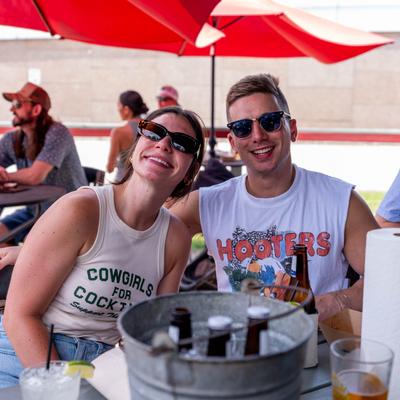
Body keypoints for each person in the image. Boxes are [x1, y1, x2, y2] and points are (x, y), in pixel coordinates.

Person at [0, 106, 205, 388]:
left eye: (182, 142)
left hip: (108, 364)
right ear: (135, 147)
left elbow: (155, 329)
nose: (164, 143)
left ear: (190, 171)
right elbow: (19, 316)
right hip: (31, 353)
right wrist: (64, 385)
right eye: (154, 132)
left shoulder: (175, 238)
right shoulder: (82, 209)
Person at [172, 73, 379, 321]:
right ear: (233, 142)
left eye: (270, 121)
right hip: (240, 347)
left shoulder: (341, 201)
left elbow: (389, 277)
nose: (257, 135)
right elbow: (145, 232)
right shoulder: (208, 204)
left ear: (292, 129)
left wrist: (337, 300)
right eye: (243, 128)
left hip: (316, 347)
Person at [0, 82, 87, 244]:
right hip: (33, 212)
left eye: (17, 104)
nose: (12, 109)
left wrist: (4, 176)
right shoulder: (12, 139)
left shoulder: (58, 133)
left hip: (68, 214)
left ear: (36, 110)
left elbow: (35, 176)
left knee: (31, 246)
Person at [106, 90, 149, 181]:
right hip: (145, 181)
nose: (117, 109)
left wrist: (117, 164)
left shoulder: (118, 132)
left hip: (123, 182)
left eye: (118, 105)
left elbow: (110, 168)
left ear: (126, 109)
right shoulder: (150, 128)